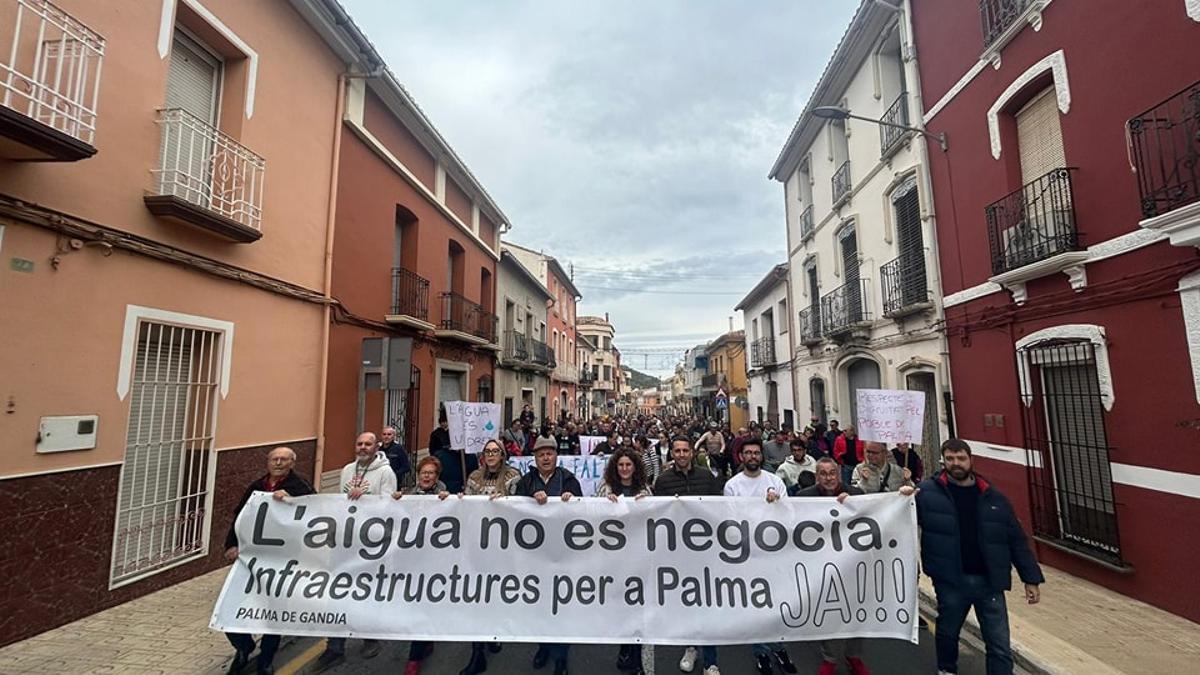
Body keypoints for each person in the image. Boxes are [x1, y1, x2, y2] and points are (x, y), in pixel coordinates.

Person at [916, 439, 1044, 675]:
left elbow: (1016, 539)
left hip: (989, 582)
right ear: (943, 461)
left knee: (999, 643)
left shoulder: (994, 497)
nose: (956, 463)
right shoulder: (925, 494)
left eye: (961, 458)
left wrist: (1031, 578)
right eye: (950, 459)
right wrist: (903, 496)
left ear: (971, 460)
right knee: (947, 633)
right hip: (951, 580)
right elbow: (900, 519)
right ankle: (946, 670)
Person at [222, 447, 313, 675]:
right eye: (274, 459)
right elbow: (240, 517)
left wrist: (291, 499)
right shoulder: (256, 487)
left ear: (292, 463)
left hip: (282, 561)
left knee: (274, 611)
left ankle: (266, 658)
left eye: (284, 459)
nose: (278, 463)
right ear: (268, 462)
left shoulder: (300, 486)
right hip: (252, 558)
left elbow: (315, 510)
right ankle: (243, 647)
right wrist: (231, 545)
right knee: (230, 606)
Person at [316, 433, 397, 668]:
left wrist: (366, 500)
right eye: (359, 443)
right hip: (345, 540)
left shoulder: (385, 472)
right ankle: (334, 646)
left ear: (376, 447)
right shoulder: (347, 470)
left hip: (370, 543)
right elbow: (340, 501)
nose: (363, 447)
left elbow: (389, 506)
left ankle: (369, 637)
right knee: (338, 591)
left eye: (367, 444)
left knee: (365, 592)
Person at [722, 438, 797, 675]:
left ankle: (780, 648)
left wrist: (777, 505)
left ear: (761, 456)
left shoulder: (775, 481)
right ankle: (761, 652)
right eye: (748, 453)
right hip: (749, 555)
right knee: (755, 605)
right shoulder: (732, 485)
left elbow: (790, 515)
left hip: (774, 553)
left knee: (776, 604)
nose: (753, 456)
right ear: (741, 457)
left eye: (756, 453)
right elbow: (732, 521)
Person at [796, 458, 873, 675]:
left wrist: (853, 505)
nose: (828, 478)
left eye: (832, 473)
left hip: (851, 564)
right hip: (820, 565)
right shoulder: (804, 497)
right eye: (823, 473)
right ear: (816, 476)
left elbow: (875, 511)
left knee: (857, 609)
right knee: (827, 611)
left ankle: (853, 655)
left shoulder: (855, 494)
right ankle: (829, 657)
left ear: (839, 475)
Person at [653, 436, 722, 675]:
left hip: (706, 550)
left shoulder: (706, 477)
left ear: (692, 453)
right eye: (677, 451)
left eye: (685, 450)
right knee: (688, 603)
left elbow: (718, 507)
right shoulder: (663, 481)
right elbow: (657, 514)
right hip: (678, 553)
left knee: (708, 604)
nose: (681, 455)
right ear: (672, 454)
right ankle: (690, 647)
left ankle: (711, 660)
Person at [513, 436, 581, 675]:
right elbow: (514, 510)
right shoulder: (527, 481)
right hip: (535, 555)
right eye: (541, 454)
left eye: (549, 453)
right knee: (540, 605)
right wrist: (530, 498)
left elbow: (582, 512)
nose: (545, 458)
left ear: (556, 456)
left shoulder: (568, 479)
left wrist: (571, 501)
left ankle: (561, 655)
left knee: (561, 606)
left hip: (563, 553)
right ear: (535, 458)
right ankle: (543, 646)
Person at [391, 456, 451, 675]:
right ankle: (426, 639)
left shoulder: (445, 495)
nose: (426, 476)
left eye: (431, 473)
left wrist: (449, 501)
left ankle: (414, 658)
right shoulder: (409, 495)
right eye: (423, 472)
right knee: (415, 604)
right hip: (412, 559)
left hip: (434, 560)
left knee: (424, 604)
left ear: (437, 476)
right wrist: (395, 500)